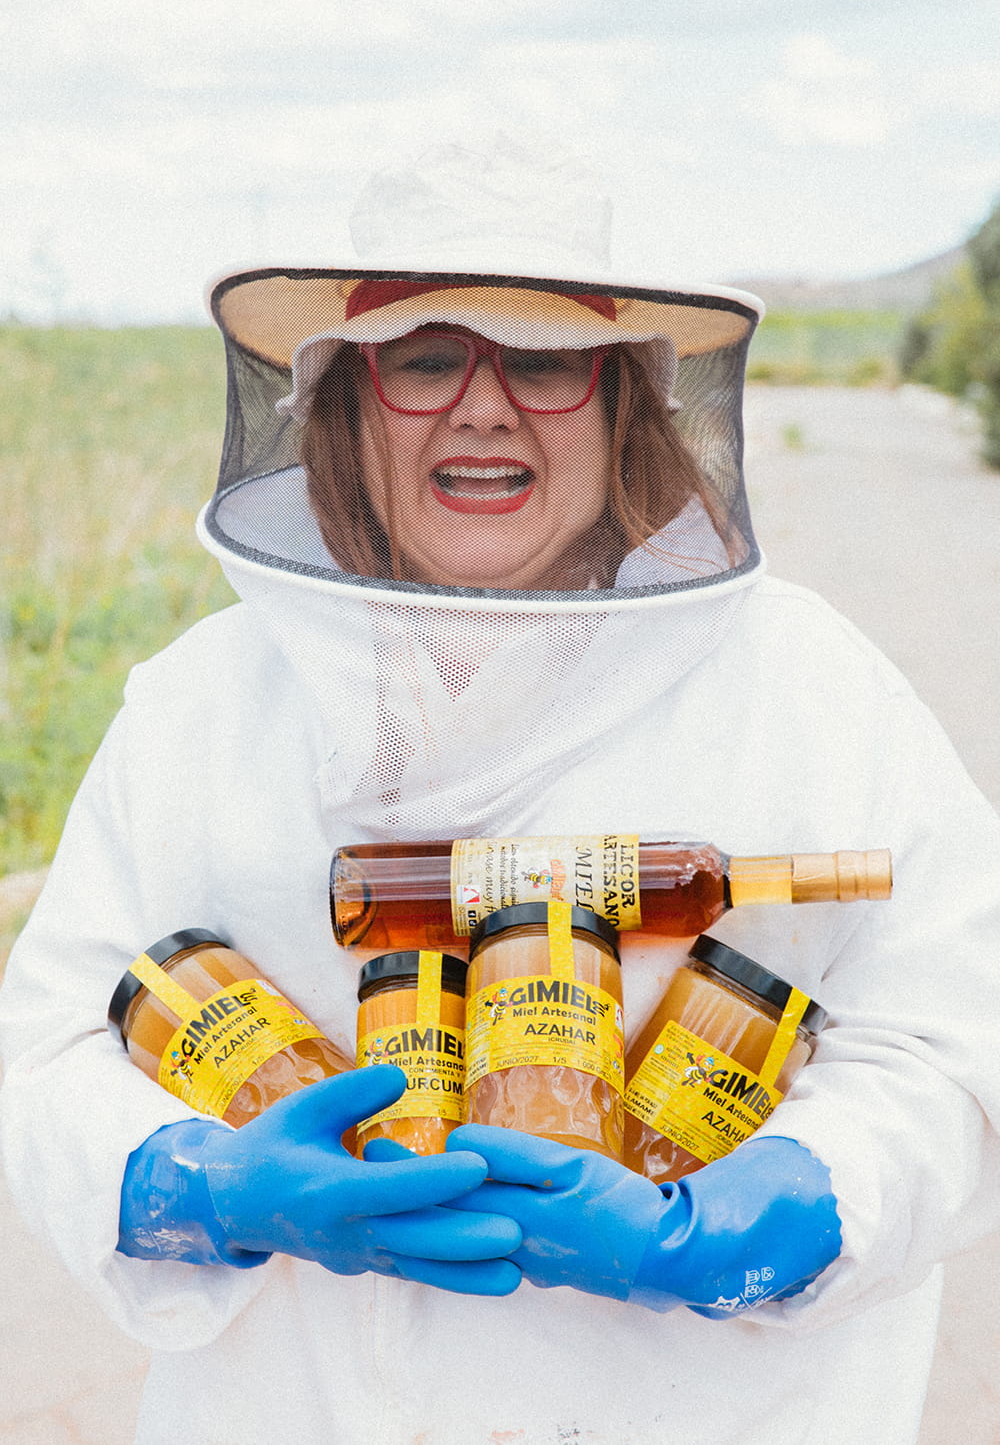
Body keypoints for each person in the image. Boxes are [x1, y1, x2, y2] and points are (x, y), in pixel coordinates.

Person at [2, 139, 999, 1445]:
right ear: (352, 408)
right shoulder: (198, 703)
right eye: (427, 359)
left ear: (621, 404)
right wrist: (187, 1185)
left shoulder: (809, 688)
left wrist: (773, 1209)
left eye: (541, 358)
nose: (483, 406)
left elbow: (953, 1042)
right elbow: (55, 1038)